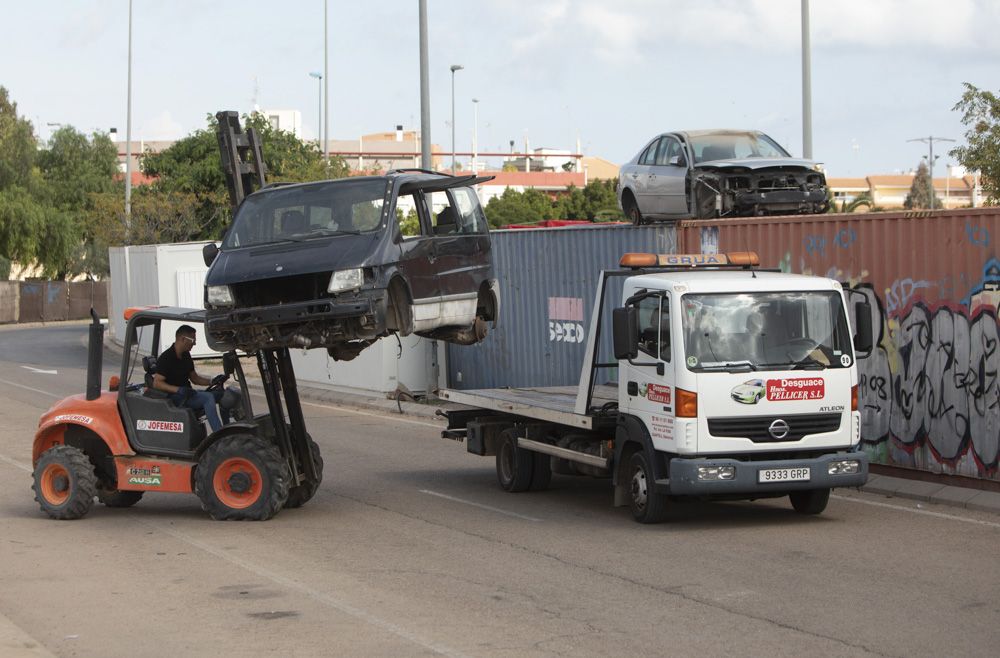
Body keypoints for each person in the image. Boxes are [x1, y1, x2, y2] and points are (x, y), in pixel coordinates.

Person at [153, 325, 229, 432]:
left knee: (223, 395)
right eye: (193, 340)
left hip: (188, 394)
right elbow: (157, 383)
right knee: (207, 398)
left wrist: (212, 381)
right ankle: (219, 434)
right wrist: (178, 390)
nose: (195, 343)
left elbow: (195, 378)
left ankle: (228, 428)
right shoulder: (166, 358)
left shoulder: (186, 355)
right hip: (175, 398)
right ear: (182, 339)